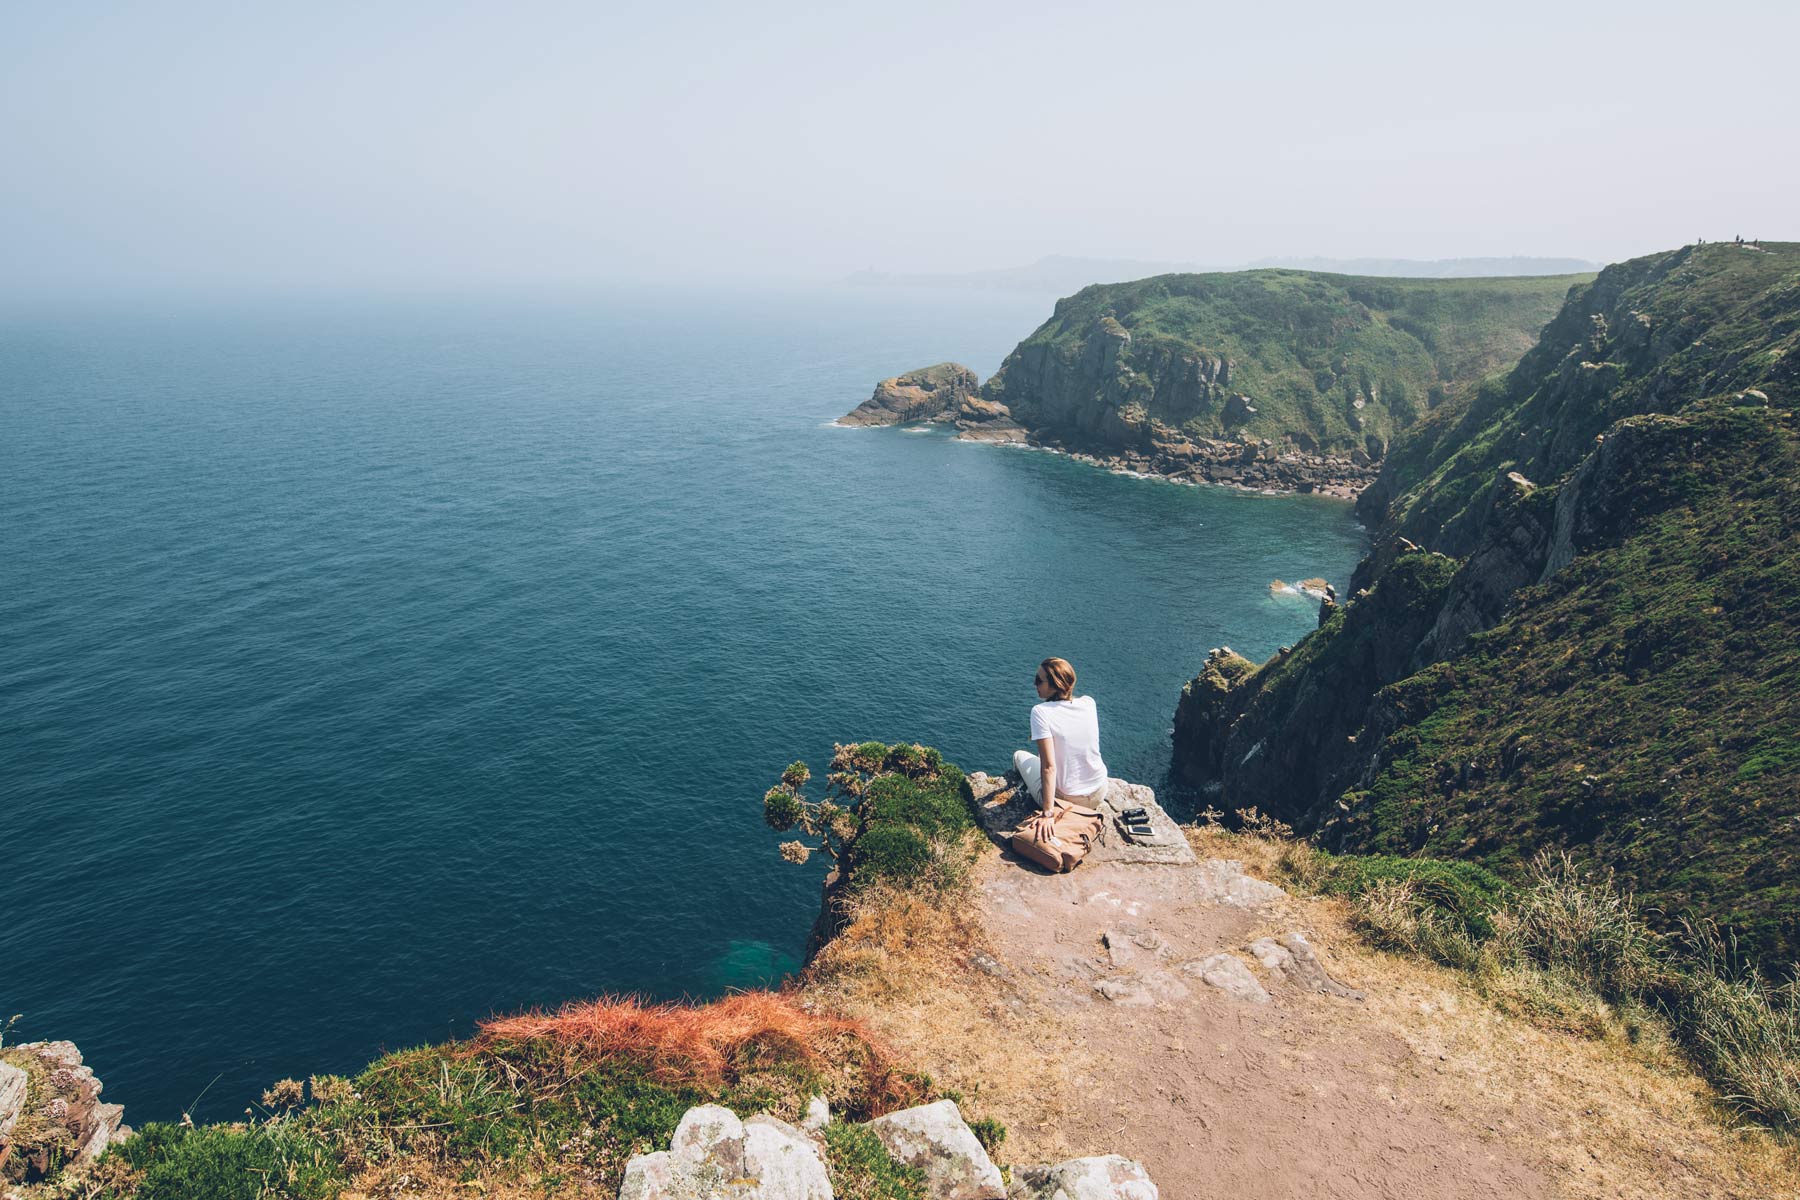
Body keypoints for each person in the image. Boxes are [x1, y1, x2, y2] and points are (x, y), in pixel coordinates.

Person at [1013, 657, 1109, 843]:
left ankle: (1019, 788)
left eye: (1039, 680)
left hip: (1068, 800)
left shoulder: (1040, 712)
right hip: (1099, 790)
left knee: (1019, 756)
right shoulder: (1089, 702)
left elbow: (1049, 767)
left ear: (1055, 684)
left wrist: (1048, 814)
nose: (1034, 684)